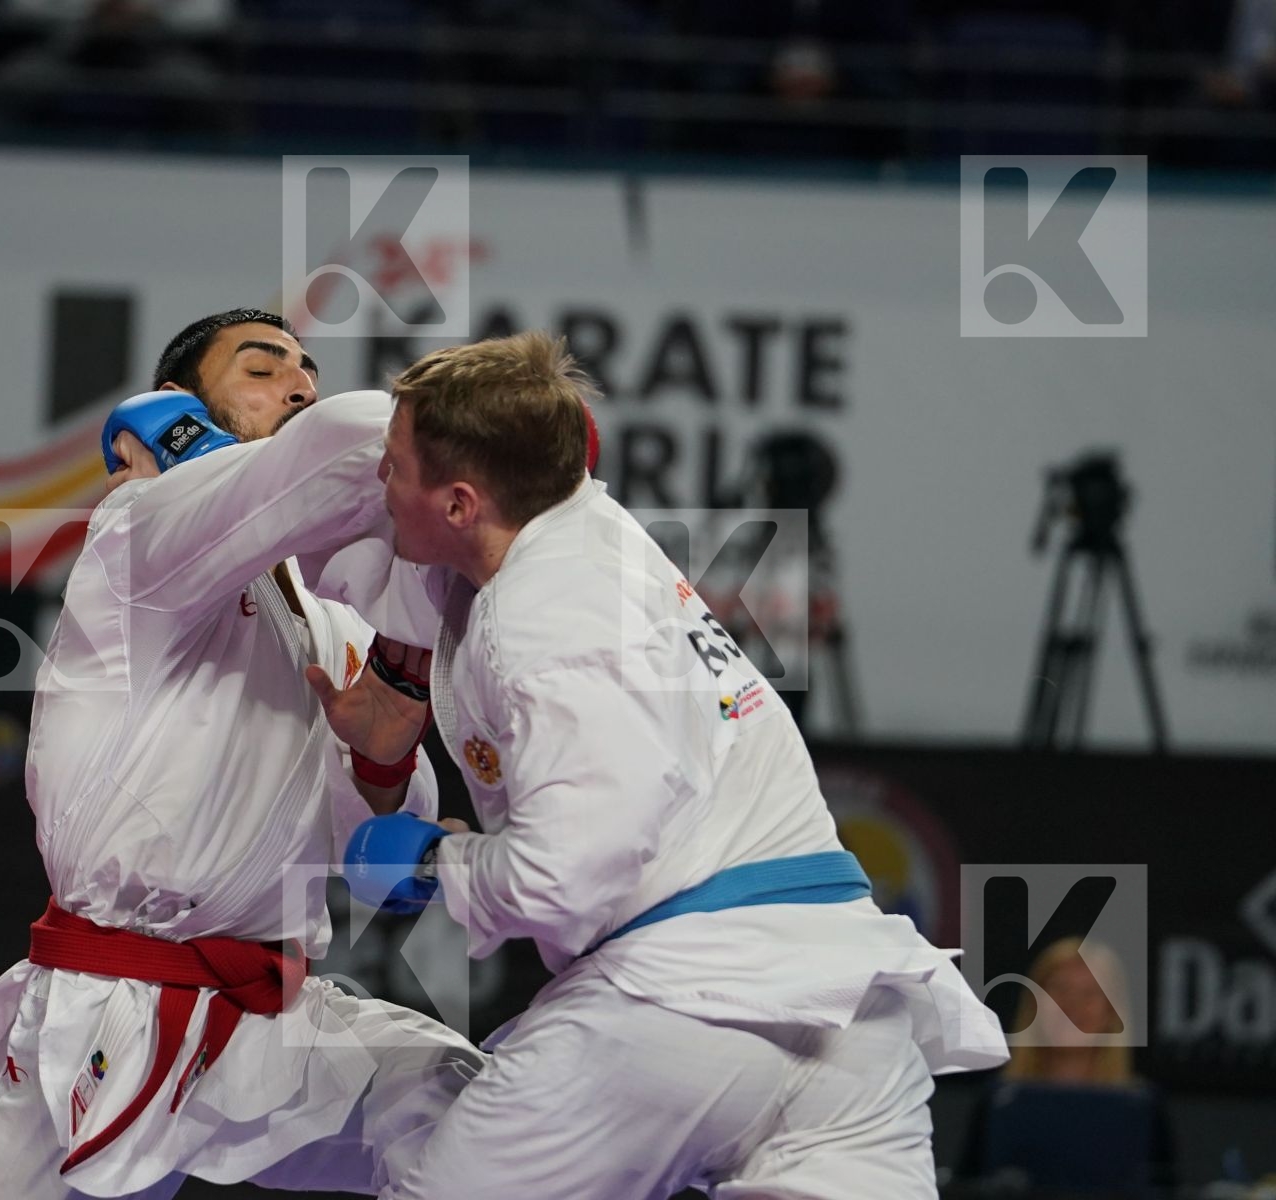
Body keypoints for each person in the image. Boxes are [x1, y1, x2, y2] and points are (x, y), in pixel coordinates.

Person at [316, 331, 1009, 1200]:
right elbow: (405, 569)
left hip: (687, 1004)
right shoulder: (583, 531)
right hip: (851, 1028)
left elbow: (569, 872)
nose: (378, 480)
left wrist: (437, 862)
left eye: (392, 465)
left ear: (460, 502)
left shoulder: (547, 618)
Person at [0, 308, 482, 1200]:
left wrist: (384, 763)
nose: (298, 386)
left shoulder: (331, 615)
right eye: (262, 370)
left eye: (307, 373)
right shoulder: (140, 531)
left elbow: (380, 854)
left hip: (266, 1012)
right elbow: (344, 446)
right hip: (115, 998)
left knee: (472, 1112)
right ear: (178, 405)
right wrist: (486, 429)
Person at [958, 936, 1176, 1188]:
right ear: (1034, 1004)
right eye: (1060, 989)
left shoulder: (1142, 1107)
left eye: (1089, 994)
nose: (1072, 1005)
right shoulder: (999, 1100)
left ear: (1111, 1012)